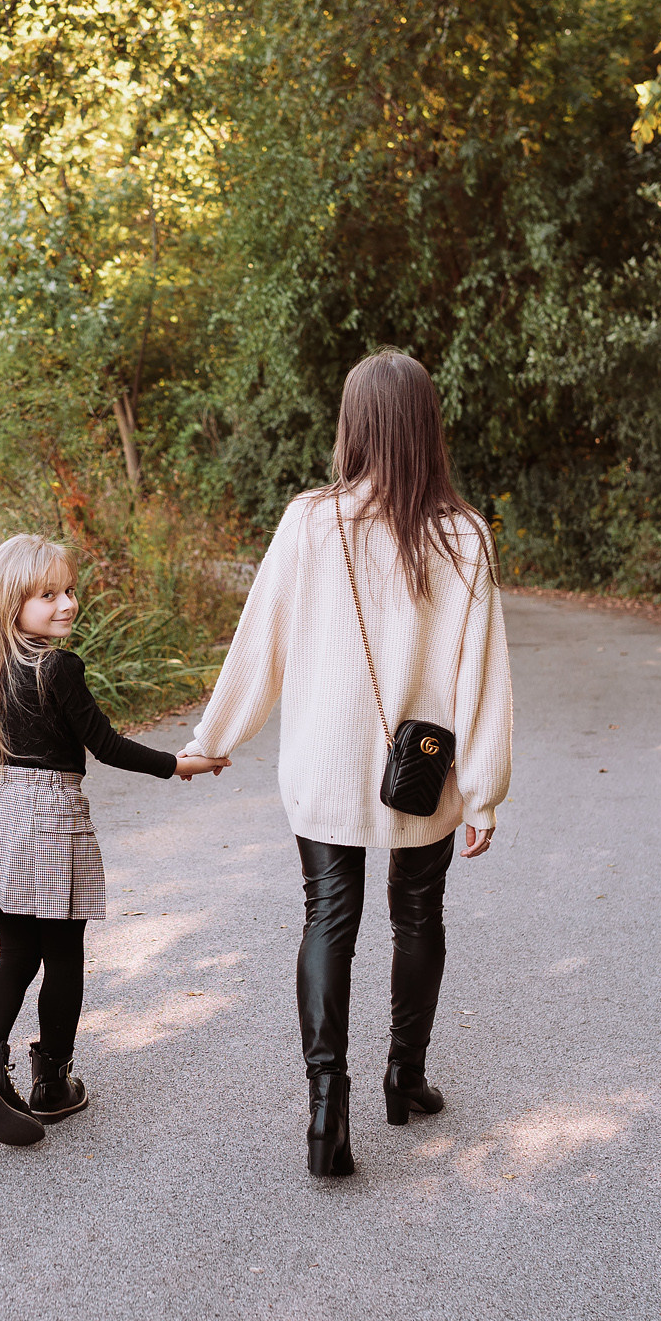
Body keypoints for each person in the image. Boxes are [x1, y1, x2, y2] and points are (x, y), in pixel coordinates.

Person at [180, 351, 513, 1177]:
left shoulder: (309, 520)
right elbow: (483, 670)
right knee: (418, 912)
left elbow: (262, 639)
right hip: (421, 774)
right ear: (427, 426)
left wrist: (212, 737)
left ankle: (327, 1108)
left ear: (353, 426)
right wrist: (483, 791)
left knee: (328, 915)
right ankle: (405, 1075)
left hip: (327, 764)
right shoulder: (464, 535)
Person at [0, 534, 229, 1146]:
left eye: (69, 591)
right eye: (48, 595)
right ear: (12, 603)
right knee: (62, 955)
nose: (66, 604)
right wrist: (179, 765)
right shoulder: (58, 668)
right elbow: (107, 745)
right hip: (52, 822)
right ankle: (53, 1082)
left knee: (16, 956)